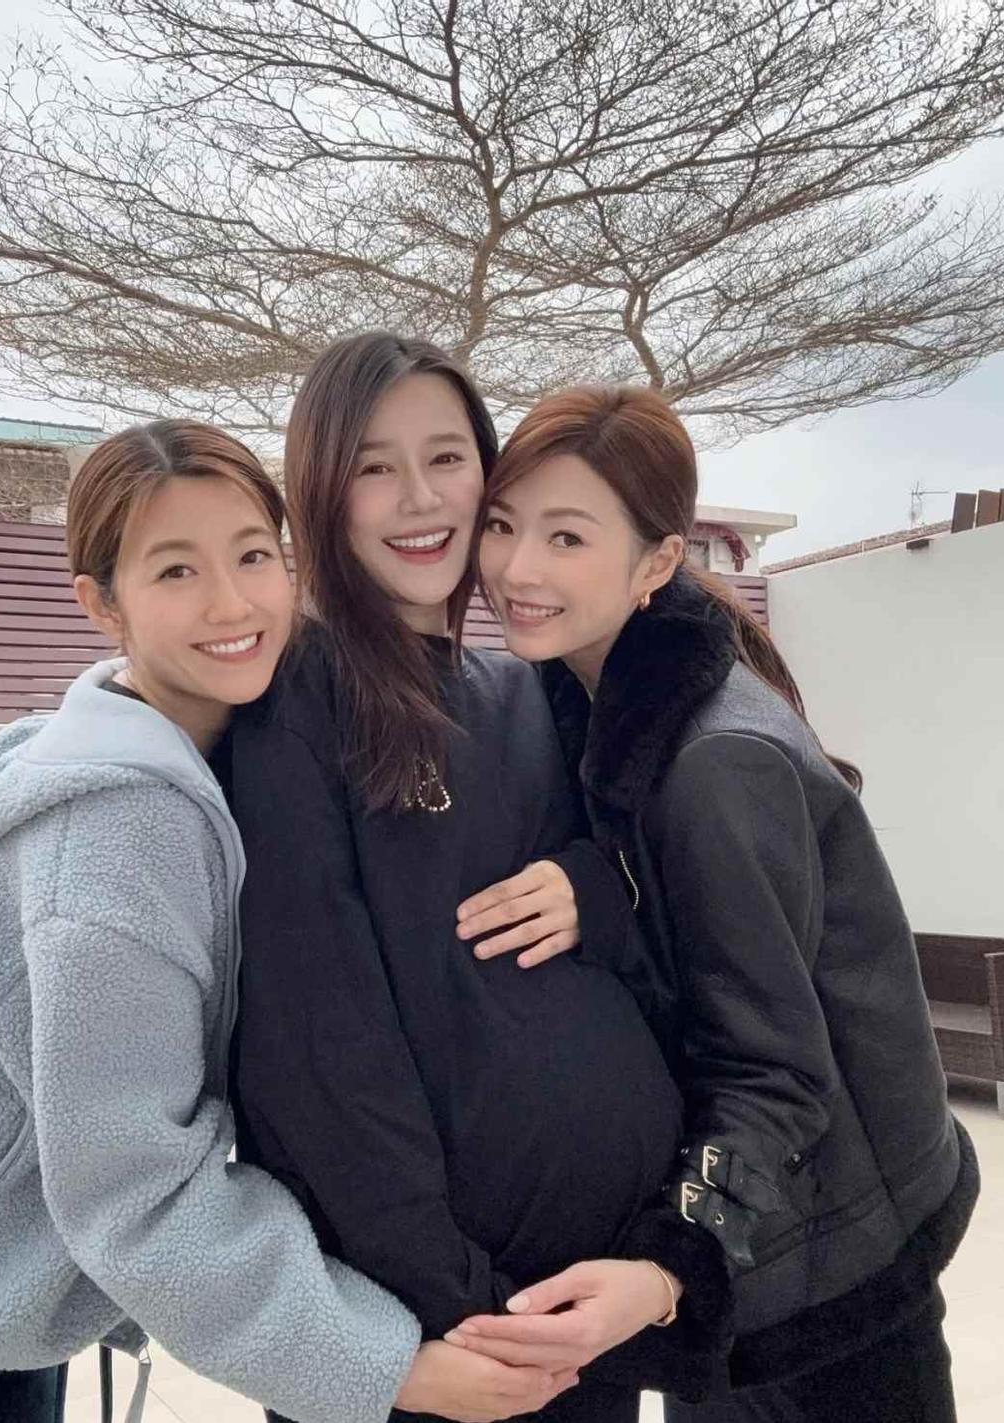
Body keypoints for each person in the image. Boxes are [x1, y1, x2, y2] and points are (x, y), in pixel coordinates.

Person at [0, 420, 556, 1423]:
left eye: (252, 555)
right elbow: (139, 1183)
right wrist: (383, 1364)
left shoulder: (223, 755)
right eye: (175, 571)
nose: (230, 603)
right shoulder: (115, 834)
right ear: (101, 604)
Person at [449, 385, 978, 1423]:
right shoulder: (596, 698)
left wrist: (671, 1264)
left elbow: (776, 1070)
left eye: (567, 537)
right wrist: (602, 883)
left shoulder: (716, 761)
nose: (517, 569)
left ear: (655, 562)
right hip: (765, 1267)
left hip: (829, 1285)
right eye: (504, 526)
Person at [230, 335, 732, 1423]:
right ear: (321, 487)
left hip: (585, 1307)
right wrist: (456, 1306)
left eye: (447, 458)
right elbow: (315, 1044)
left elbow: (642, 901)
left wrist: (595, 888)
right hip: (452, 1334)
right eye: (373, 465)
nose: (419, 497)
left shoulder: (522, 686)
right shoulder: (300, 696)